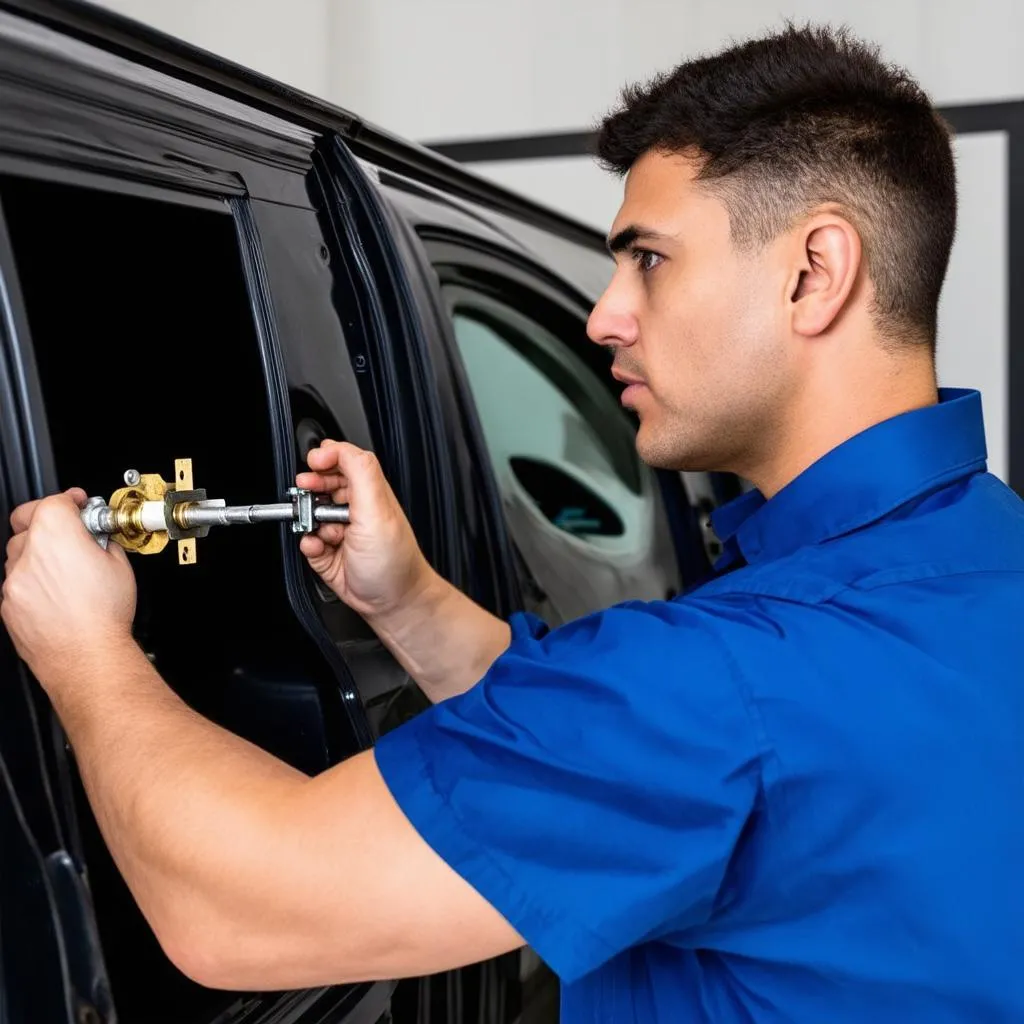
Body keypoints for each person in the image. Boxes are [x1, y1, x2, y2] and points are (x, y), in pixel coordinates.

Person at [3, 23, 1023, 1024]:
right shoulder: (982, 555)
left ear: (814, 270)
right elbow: (640, 764)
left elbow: (237, 912)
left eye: (650, 260)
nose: (605, 316)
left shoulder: (734, 678)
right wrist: (407, 602)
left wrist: (85, 648)